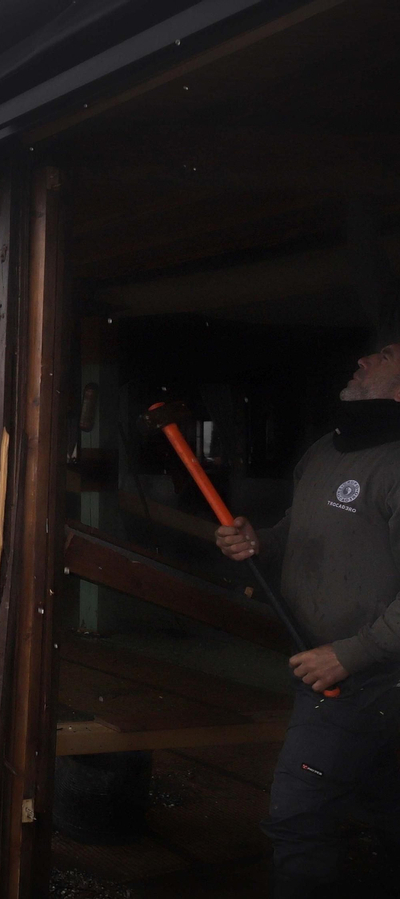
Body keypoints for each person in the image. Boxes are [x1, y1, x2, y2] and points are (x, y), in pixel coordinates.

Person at [214, 341, 400, 897]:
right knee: (381, 804)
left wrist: (351, 653)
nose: (362, 360)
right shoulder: (325, 450)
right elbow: (297, 529)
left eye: (385, 355)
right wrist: (258, 542)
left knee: (299, 816)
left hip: (368, 678)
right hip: (319, 662)